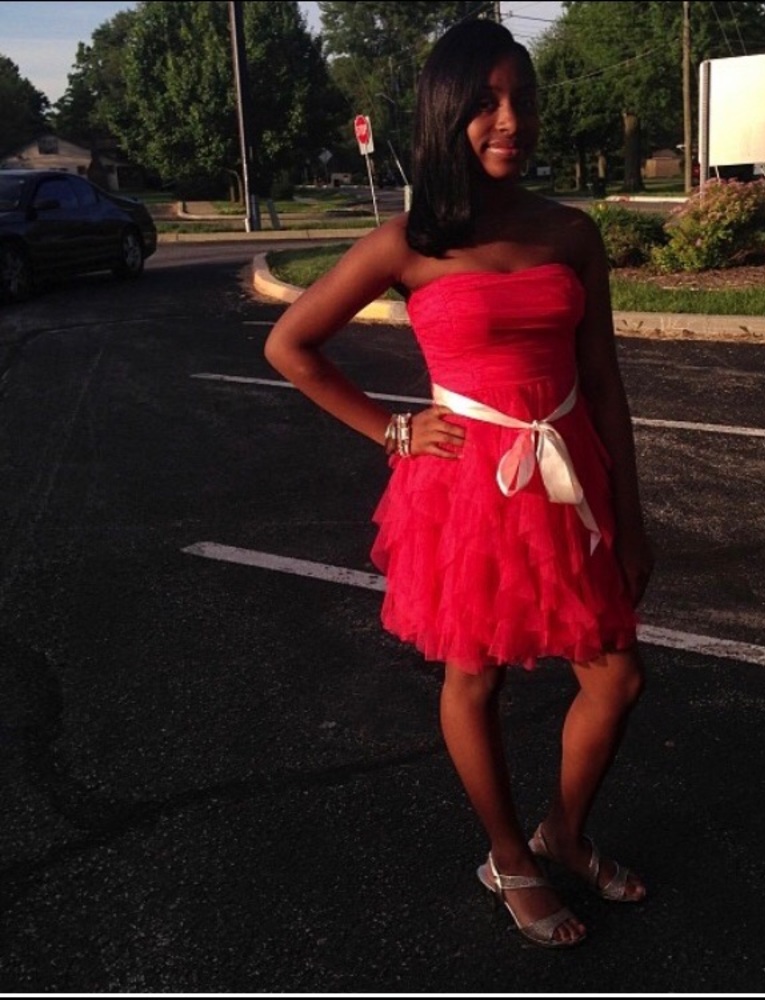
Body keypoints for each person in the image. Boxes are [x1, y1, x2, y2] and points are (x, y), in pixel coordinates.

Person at [264, 17, 653, 950]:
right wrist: (393, 429)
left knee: (616, 677)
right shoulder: (408, 242)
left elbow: (602, 382)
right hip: (470, 490)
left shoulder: (571, 233)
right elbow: (290, 345)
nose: (508, 119)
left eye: (521, 98)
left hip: (568, 479)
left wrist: (631, 516)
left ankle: (564, 830)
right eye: (484, 103)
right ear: (447, 116)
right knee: (473, 679)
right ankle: (510, 856)